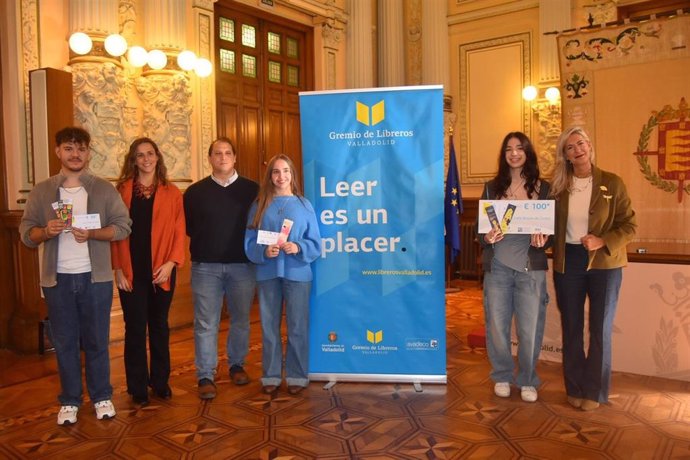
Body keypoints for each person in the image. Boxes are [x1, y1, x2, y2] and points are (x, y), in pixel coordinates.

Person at [19, 126, 131, 425]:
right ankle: (69, 400)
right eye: (69, 148)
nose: (75, 154)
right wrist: (45, 231)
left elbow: (123, 226)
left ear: (88, 153)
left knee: (96, 341)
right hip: (58, 281)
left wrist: (93, 233)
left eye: (81, 148)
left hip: (96, 280)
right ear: (58, 152)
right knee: (65, 342)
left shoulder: (104, 189)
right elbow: (26, 234)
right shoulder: (42, 191)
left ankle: (101, 396)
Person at [551, 126, 636, 411]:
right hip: (569, 262)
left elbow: (629, 225)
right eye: (571, 147)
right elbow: (548, 225)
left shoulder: (612, 182)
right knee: (571, 327)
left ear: (589, 145)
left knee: (600, 328)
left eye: (581, 143)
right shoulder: (558, 187)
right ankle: (574, 387)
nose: (578, 149)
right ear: (566, 155)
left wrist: (603, 240)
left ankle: (594, 392)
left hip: (605, 263)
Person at [111, 138, 186, 406]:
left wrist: (170, 264)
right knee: (134, 329)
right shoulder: (121, 191)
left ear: (157, 157)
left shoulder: (172, 192)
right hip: (131, 271)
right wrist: (117, 268)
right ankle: (137, 386)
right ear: (133, 159)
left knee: (159, 326)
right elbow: (114, 234)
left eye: (150, 154)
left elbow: (179, 231)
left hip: (161, 271)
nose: (146, 159)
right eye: (140, 155)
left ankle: (160, 381)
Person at [184, 137, 259, 399]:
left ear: (235, 157)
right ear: (210, 158)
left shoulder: (253, 190)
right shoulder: (194, 192)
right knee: (206, 323)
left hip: (243, 267)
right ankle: (205, 374)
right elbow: (191, 228)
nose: (223, 157)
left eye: (228, 153)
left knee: (240, 320)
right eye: (217, 153)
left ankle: (236, 364)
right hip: (206, 267)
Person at [478, 131, 551, 403]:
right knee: (496, 326)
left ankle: (528, 379)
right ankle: (502, 375)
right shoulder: (491, 187)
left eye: (519, 148)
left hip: (530, 268)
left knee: (530, 327)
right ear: (504, 155)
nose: (514, 153)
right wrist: (486, 238)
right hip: (497, 267)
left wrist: (544, 239)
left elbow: (549, 230)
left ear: (527, 152)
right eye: (508, 149)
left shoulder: (543, 188)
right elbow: (480, 233)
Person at [245, 154, 321, 395]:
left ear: (293, 175)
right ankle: (271, 375)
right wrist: (264, 250)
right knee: (269, 326)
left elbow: (316, 243)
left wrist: (298, 247)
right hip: (267, 273)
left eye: (285, 171)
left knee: (298, 326)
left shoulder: (304, 205)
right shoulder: (259, 205)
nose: (281, 176)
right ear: (270, 176)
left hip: (298, 274)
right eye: (276, 172)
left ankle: (298, 376)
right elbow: (248, 242)